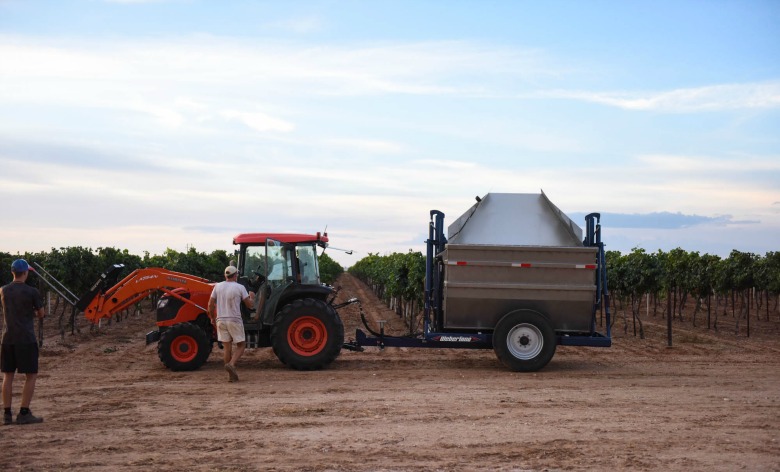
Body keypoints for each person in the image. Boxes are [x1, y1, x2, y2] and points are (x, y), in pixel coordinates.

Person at [1, 259, 45, 425]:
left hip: (7, 338)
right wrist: (31, 313)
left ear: (13, 272)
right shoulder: (32, 292)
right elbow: (41, 314)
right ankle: (24, 413)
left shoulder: (3, 290)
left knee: (8, 376)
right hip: (26, 339)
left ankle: (6, 414)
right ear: (25, 273)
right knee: (31, 375)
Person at [207, 265, 254, 382]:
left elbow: (210, 305)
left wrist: (212, 318)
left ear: (225, 275)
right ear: (235, 276)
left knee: (227, 348)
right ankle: (232, 364)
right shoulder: (240, 287)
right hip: (234, 320)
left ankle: (230, 376)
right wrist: (252, 297)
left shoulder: (217, 286)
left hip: (220, 320)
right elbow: (250, 305)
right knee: (241, 345)